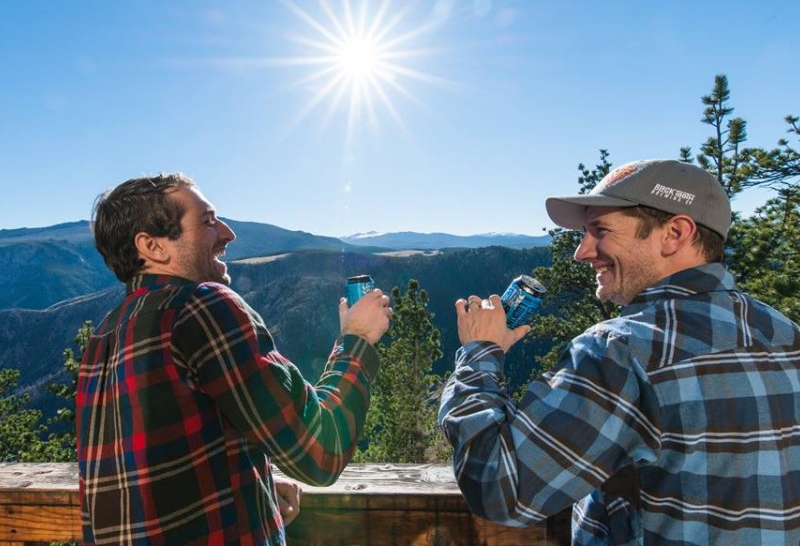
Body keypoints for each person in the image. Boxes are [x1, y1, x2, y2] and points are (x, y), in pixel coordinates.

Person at [438, 159, 800, 544]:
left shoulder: (621, 350)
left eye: (600, 231)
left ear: (675, 233)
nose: (582, 252)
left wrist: (481, 352)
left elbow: (498, 488)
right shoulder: (783, 332)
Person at [77, 173, 392, 545]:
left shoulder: (105, 334)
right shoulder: (201, 305)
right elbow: (321, 452)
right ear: (153, 247)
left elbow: (148, 468)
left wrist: (256, 482)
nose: (228, 233)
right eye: (207, 221)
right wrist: (357, 340)